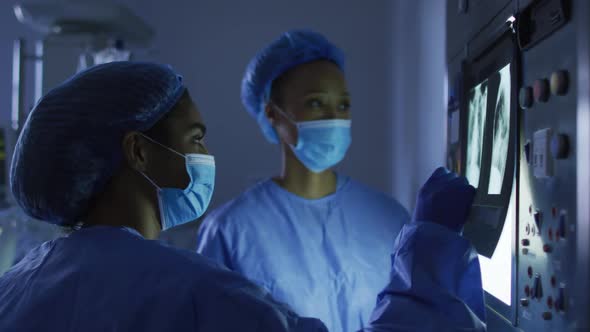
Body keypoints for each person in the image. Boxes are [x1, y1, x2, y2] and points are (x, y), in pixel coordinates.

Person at [0, 61, 485, 332]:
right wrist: (432, 245)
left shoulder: (15, 288)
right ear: (139, 152)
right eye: (194, 139)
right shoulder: (192, 294)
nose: (207, 154)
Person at [196, 29, 409, 332]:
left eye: (344, 105)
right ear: (272, 113)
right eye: (316, 103)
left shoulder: (389, 218)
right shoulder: (231, 231)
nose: (334, 117)